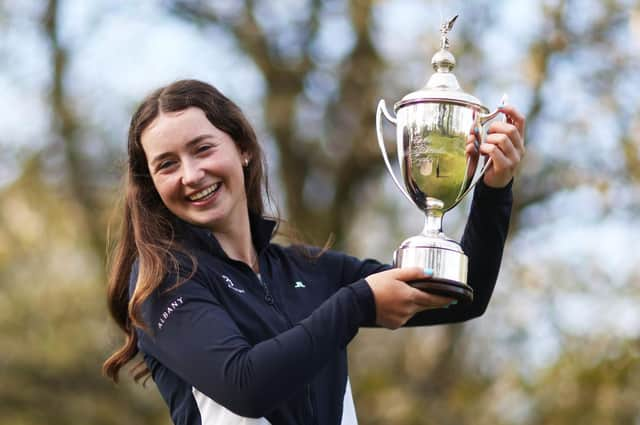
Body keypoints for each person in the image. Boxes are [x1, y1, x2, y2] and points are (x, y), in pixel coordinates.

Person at [103, 79, 525, 425]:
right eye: (167, 164)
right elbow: (245, 386)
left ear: (242, 149)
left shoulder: (308, 271)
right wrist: (359, 303)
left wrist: (494, 189)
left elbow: (460, 296)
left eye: (202, 149)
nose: (192, 175)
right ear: (153, 185)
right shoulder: (161, 283)